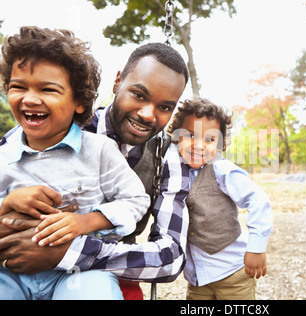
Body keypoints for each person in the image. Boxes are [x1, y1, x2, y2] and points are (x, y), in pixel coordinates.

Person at [0, 28, 190, 298]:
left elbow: (170, 258)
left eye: (164, 107)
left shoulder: (167, 155)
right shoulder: (47, 128)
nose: (147, 114)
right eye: (138, 94)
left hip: (94, 271)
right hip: (18, 266)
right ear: (117, 83)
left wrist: (69, 253)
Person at [160, 97, 273, 299]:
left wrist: (256, 248)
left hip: (233, 272)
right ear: (176, 137)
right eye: (190, 136)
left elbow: (258, 199)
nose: (199, 145)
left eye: (210, 139)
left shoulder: (221, 170)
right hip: (197, 279)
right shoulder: (172, 171)